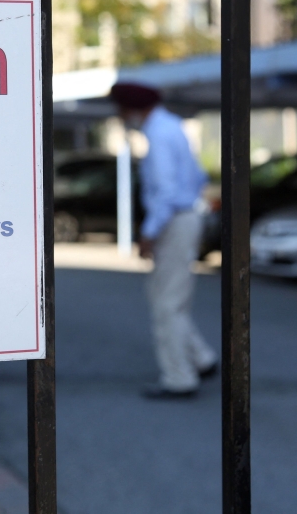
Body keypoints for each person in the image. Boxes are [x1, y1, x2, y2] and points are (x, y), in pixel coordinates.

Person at [111, 83, 218, 399]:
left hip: (174, 220)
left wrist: (149, 232)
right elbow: (198, 177)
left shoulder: (157, 134)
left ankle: (179, 377)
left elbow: (166, 193)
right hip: (186, 217)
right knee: (171, 295)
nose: (119, 116)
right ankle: (201, 359)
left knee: (166, 303)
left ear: (132, 108)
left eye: (120, 109)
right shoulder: (173, 127)